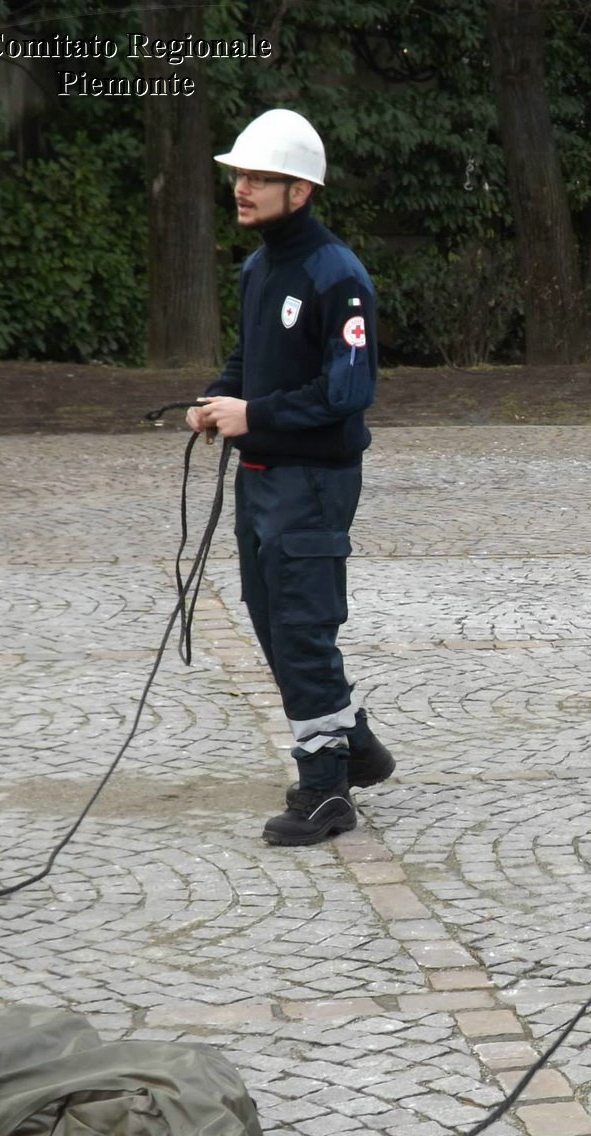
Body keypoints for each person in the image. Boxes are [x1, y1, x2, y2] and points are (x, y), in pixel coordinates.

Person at [188, 108, 395, 847]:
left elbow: (348, 391)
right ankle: (356, 745)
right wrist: (218, 399)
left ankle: (325, 791)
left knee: (303, 629)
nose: (240, 188)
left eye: (257, 178)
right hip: (263, 474)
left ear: (298, 191)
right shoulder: (258, 266)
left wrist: (257, 415)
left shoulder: (337, 276)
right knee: (270, 616)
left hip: (313, 481)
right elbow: (251, 363)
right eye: (238, 175)